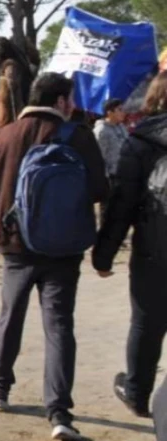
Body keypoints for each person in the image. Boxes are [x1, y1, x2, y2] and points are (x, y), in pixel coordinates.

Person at [0, 72, 108, 441]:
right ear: (62, 102)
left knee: (10, 315)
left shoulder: (2, 136)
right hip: (65, 247)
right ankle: (60, 414)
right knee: (60, 326)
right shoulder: (78, 137)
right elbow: (100, 189)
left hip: (15, 245)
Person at [94, 72, 167, 418]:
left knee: (146, 323)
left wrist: (103, 255)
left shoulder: (139, 142)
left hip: (155, 249)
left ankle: (137, 393)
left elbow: (121, 205)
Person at [93, 98, 128, 177]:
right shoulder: (101, 131)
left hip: (125, 172)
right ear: (110, 112)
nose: (123, 113)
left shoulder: (121, 126)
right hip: (112, 176)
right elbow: (99, 158)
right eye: (120, 110)